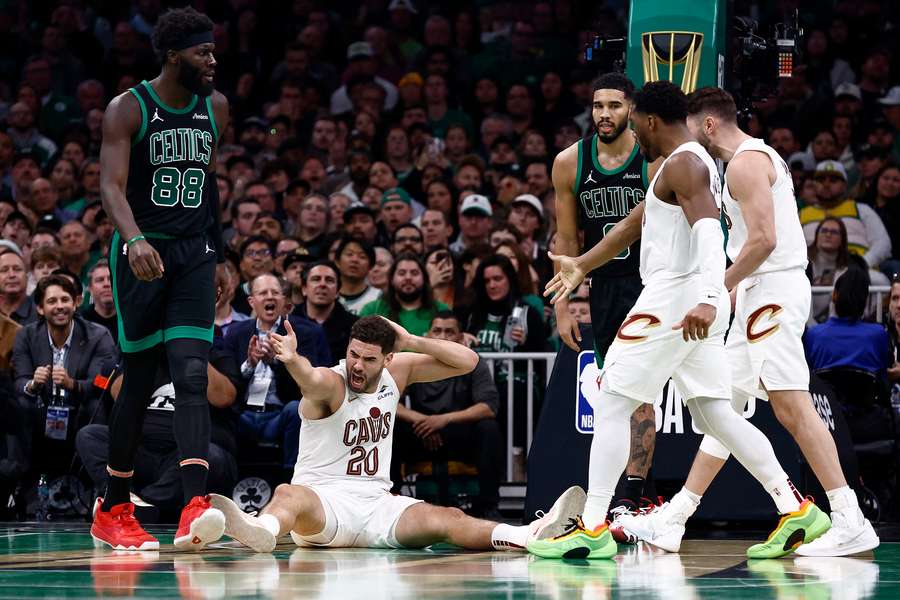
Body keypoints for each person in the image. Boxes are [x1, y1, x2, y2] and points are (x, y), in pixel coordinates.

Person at [534, 81, 828, 560]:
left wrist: (711, 297)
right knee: (715, 413)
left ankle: (592, 526)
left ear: (649, 121)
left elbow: (711, 232)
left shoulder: (686, 163)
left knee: (611, 400)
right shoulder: (684, 164)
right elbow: (635, 222)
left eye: (635, 125)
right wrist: (583, 264)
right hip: (692, 301)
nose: (634, 136)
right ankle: (794, 506)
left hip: (677, 298)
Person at [617, 88, 878, 556]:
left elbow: (764, 240)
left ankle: (848, 517)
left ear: (709, 125)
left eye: (693, 127)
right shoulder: (741, 163)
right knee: (724, 409)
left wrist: (714, 289)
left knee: (792, 407)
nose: (689, 140)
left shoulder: (744, 162)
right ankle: (676, 517)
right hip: (758, 290)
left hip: (773, 289)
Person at [208, 316, 558, 554]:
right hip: (325, 504)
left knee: (450, 518)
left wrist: (412, 340)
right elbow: (311, 379)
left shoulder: (399, 371)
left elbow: (467, 361)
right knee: (289, 494)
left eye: (369, 359)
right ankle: (264, 530)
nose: (357, 365)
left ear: (389, 358)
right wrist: (293, 358)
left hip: (378, 505)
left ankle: (528, 536)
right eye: (353, 355)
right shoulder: (334, 382)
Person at [93, 8, 230, 552]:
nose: (213, 61)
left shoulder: (214, 107)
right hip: (141, 254)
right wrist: (134, 239)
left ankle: (195, 506)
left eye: (213, 50)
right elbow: (110, 186)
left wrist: (219, 253)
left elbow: (212, 184)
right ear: (175, 57)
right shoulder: (128, 108)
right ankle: (114, 506)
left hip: (194, 252)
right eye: (203, 52)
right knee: (141, 381)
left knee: (192, 372)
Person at [550, 73, 656, 519]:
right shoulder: (570, 162)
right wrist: (562, 304)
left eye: (614, 105)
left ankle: (631, 497)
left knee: (641, 392)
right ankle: (613, 500)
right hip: (604, 287)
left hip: (651, 283)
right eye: (598, 106)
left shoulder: (652, 160)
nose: (604, 114)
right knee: (616, 392)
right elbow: (567, 239)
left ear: (630, 108)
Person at [392, 311, 503, 518]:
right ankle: (390, 498)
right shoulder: (411, 362)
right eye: (437, 331)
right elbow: (386, 401)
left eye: (449, 332)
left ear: (461, 338)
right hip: (421, 433)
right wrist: (420, 419)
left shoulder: (474, 362)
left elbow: (488, 406)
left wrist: (441, 420)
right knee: (392, 426)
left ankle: (489, 505)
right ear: (427, 335)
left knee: (489, 428)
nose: (442, 336)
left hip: (458, 435)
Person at [224, 273, 331, 471]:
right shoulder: (235, 333)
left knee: (296, 409)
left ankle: (292, 480)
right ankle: (224, 479)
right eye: (263, 293)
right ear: (251, 301)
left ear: (284, 301)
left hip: (280, 414)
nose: (270, 297)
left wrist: (277, 362)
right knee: (222, 413)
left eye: (275, 292)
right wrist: (250, 363)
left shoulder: (305, 332)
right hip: (244, 415)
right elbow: (227, 383)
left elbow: (314, 382)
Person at [12, 275, 116, 456]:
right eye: (52, 301)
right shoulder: (26, 336)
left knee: (95, 406)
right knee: (20, 404)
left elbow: (101, 382)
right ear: (40, 308)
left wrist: (72, 383)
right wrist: (33, 384)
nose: (60, 306)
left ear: (75, 304)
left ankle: (92, 478)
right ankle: (19, 476)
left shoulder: (98, 336)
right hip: (42, 409)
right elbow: (19, 381)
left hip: (79, 408)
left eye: (65, 300)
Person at [799, 160, 891, 269]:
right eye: (821, 180)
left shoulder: (861, 209)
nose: (826, 184)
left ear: (844, 185)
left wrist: (862, 264)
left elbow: (883, 243)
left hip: (860, 273)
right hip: (813, 276)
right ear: (814, 185)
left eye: (833, 180)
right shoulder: (800, 215)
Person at [360, 253, 448, 337]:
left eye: (414, 273)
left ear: (424, 278)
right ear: (391, 279)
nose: (408, 277)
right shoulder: (372, 310)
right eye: (402, 273)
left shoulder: (441, 310)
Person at [294, 261, 358, 365]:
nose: (322, 284)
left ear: (338, 291)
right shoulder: (288, 323)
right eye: (316, 279)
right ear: (304, 288)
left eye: (329, 280)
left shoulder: (355, 327)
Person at [335, 236, 381, 315]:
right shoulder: (327, 293)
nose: (355, 260)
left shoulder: (378, 297)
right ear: (337, 261)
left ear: (371, 266)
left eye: (362, 256)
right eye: (349, 254)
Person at [81, 260, 117, 343]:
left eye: (110, 279)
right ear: (90, 288)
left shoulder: (128, 318)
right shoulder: (81, 321)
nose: (106, 284)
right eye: (100, 280)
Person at [0, 247, 38, 325]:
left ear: (27, 277)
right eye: (4, 270)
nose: (11, 275)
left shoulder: (41, 314)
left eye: (17, 269)